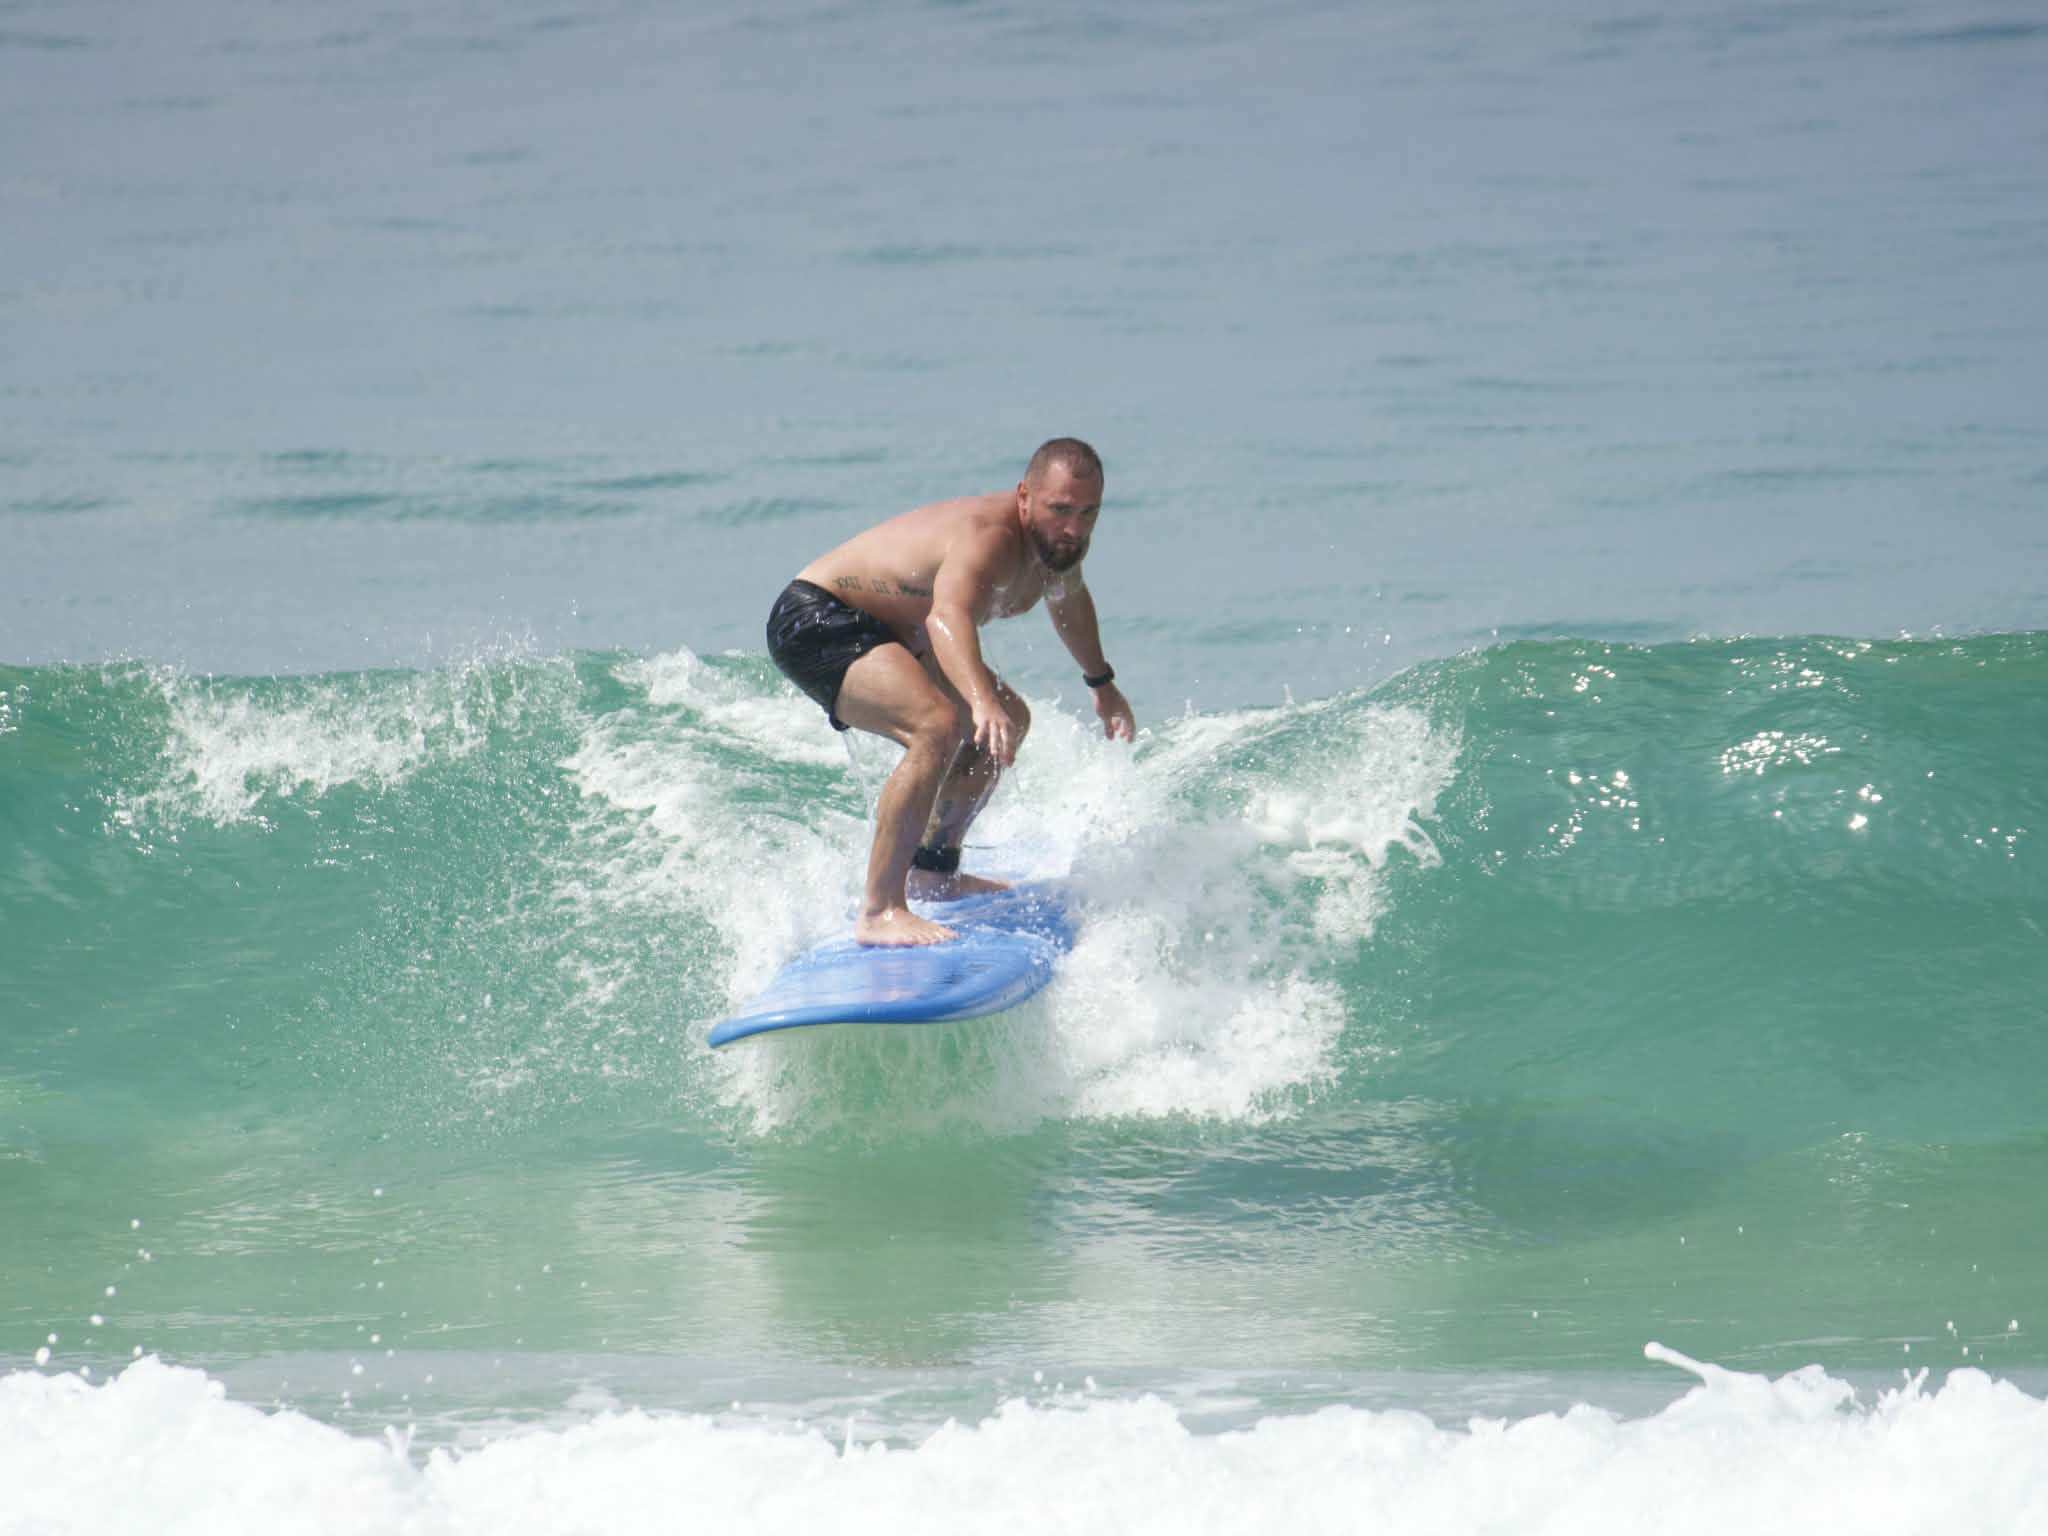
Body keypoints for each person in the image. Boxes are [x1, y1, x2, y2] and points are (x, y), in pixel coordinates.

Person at [765, 438, 1136, 946]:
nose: (1074, 527)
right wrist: (979, 702)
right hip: (819, 619)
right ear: (1025, 496)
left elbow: (1067, 598)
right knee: (937, 726)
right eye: (1061, 510)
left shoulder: (1059, 544)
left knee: (1011, 719)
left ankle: (933, 873)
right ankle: (880, 910)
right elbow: (947, 616)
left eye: (1089, 513)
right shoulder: (991, 537)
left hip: (896, 630)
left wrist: (1102, 683)